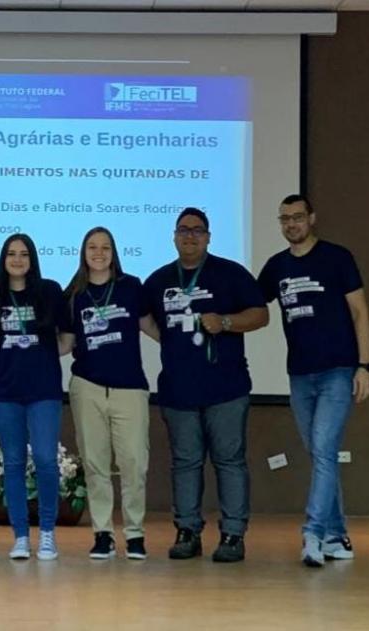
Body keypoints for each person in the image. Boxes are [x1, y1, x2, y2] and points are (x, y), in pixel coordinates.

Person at [142, 208, 268, 563]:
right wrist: (167, 341)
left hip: (226, 388)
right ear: (174, 236)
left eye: (198, 231)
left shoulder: (230, 273)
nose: (190, 236)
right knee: (185, 462)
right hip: (178, 390)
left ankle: (232, 534)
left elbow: (261, 314)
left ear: (209, 236)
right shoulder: (159, 280)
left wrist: (226, 321)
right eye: (183, 230)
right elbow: (145, 319)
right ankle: (187, 531)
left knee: (229, 461)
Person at [258, 194, 369, 568]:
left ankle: (312, 532)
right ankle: (337, 537)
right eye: (285, 219)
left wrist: (365, 366)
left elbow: (360, 313)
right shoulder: (276, 267)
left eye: (297, 217)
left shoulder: (337, 258)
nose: (291, 224)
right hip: (299, 376)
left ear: (312, 219)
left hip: (337, 371)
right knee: (320, 455)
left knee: (324, 451)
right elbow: (251, 303)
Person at [0, 233, 68, 561]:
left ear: (33, 259)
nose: (18, 259)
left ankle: (46, 533)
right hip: (4, 391)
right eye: (12, 254)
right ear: (3, 259)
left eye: (24, 254)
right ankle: (19, 536)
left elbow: (67, 336)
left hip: (43, 390)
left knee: (45, 459)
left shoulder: (50, 292)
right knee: (13, 462)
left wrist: (41, 354)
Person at [60, 227, 151, 560]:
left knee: (134, 463)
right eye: (92, 247)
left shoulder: (131, 287)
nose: (99, 253)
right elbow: (65, 344)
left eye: (105, 247)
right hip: (88, 387)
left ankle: (135, 534)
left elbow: (151, 327)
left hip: (129, 388)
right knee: (95, 464)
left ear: (115, 252)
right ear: (83, 253)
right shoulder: (74, 294)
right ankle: (102, 534)